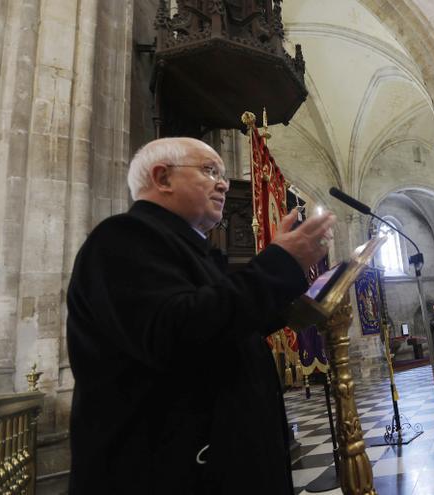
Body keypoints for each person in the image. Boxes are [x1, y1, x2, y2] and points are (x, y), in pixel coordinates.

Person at [66, 138, 337, 494]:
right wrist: (277, 265)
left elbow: (218, 326)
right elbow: (177, 329)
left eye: (222, 174)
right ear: (162, 178)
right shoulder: (121, 239)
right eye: (210, 171)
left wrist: (289, 303)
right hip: (167, 475)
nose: (223, 183)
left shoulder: (192, 250)